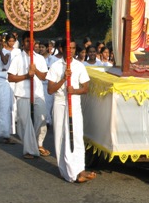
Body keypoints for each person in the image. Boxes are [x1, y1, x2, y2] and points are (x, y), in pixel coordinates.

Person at [46, 39, 96, 183]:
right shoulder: (55, 66)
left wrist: (74, 90)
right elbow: (50, 90)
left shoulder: (79, 66)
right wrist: (63, 79)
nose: (71, 51)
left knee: (77, 136)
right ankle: (68, 171)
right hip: (60, 103)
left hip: (74, 103)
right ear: (61, 49)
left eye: (73, 48)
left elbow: (85, 89)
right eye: (68, 48)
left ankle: (80, 169)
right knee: (62, 137)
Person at [8, 31, 50, 159]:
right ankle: (28, 149)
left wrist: (35, 70)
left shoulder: (40, 58)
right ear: (22, 42)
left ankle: (38, 144)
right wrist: (26, 76)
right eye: (27, 41)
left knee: (42, 120)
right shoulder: (17, 58)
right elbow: (10, 77)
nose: (30, 43)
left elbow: (44, 77)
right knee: (25, 123)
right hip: (22, 94)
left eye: (32, 41)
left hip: (37, 94)